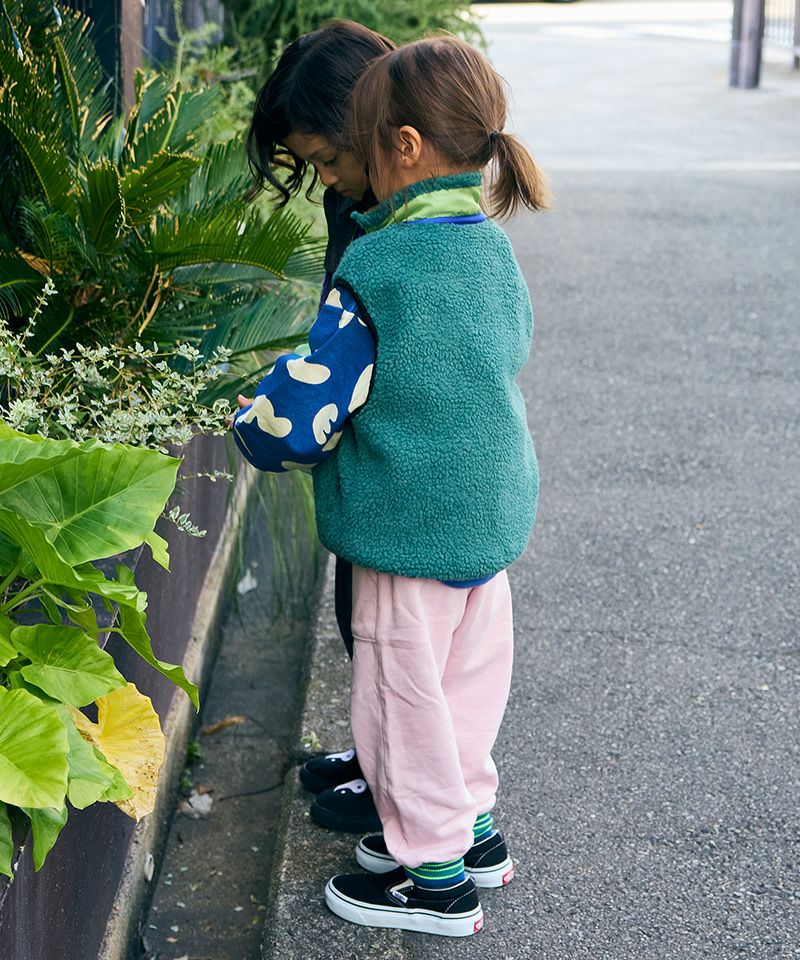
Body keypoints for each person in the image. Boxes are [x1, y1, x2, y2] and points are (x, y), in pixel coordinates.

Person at [233, 33, 547, 937]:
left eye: (357, 151)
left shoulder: (377, 268)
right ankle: (474, 831)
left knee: (400, 702)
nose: (346, 177)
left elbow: (308, 411)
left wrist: (253, 421)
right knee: (463, 691)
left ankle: (436, 879)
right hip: (488, 521)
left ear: (401, 148)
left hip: (407, 527)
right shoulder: (492, 250)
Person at [245, 19, 393, 836]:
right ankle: (379, 758)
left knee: (398, 641)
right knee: (357, 616)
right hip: (360, 458)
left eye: (331, 158)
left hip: (400, 463)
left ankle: (411, 798)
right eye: (313, 167)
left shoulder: (413, 226)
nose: (326, 181)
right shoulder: (354, 200)